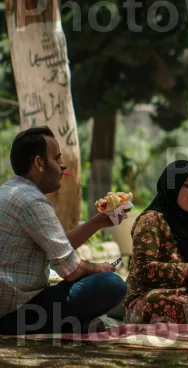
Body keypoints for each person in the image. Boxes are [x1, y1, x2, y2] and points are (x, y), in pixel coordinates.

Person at [0, 127, 128, 335]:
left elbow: (57, 246)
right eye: (57, 158)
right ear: (39, 163)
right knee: (111, 284)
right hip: (12, 314)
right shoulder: (34, 201)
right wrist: (99, 268)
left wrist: (97, 222)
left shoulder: (10, 191)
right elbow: (72, 271)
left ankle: (69, 323)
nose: (63, 165)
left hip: (13, 306)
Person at [124, 160, 188, 324]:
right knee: (156, 303)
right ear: (172, 189)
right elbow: (143, 270)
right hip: (150, 296)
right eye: (187, 185)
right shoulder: (152, 220)